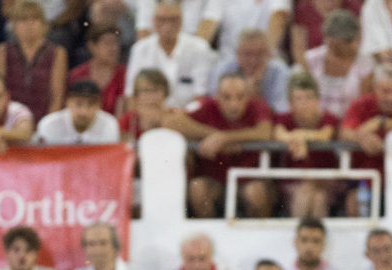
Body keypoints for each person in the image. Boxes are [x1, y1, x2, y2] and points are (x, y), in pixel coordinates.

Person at [168, 71, 274, 218]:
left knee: (256, 192)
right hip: (214, 181)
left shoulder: (258, 106)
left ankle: (258, 237)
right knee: (197, 189)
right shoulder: (207, 105)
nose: (233, 104)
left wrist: (224, 138)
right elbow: (170, 121)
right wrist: (212, 135)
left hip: (249, 181)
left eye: (240, 96)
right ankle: (209, 236)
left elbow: (265, 132)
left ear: (248, 95)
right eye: (226, 97)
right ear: (217, 95)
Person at [340, 62, 392, 215]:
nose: (391, 97)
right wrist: (362, 137)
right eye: (385, 91)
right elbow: (345, 132)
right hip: (365, 180)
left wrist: (381, 123)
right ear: (375, 89)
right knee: (354, 200)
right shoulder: (360, 104)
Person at [124, 0, 216, 111]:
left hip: (186, 118)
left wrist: (178, 117)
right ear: (153, 21)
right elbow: (131, 95)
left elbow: (201, 96)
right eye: (162, 20)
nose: (167, 25)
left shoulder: (199, 49)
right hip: (149, 116)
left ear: (181, 21)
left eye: (173, 20)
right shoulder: (140, 49)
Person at [273, 71, 340, 219]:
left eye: (309, 97)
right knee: (310, 194)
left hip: (324, 181)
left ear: (317, 100)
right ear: (290, 102)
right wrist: (297, 137)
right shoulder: (283, 118)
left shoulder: (328, 118)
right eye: (298, 98)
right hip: (294, 182)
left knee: (317, 196)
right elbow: (279, 134)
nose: (304, 103)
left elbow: (324, 135)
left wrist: (301, 136)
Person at [0, 0, 67, 124]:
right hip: (11, 120)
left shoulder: (58, 53)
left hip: (45, 120)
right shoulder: (3, 51)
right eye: (23, 20)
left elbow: (57, 96)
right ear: (14, 26)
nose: (29, 24)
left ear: (44, 24)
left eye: (34, 19)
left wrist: (47, 125)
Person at [304, 9, 375, 118]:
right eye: (327, 40)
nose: (329, 46)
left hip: (349, 122)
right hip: (316, 122)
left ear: (350, 42)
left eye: (336, 44)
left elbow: (364, 106)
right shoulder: (311, 59)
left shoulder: (365, 64)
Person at [208, 27, 291, 115]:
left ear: (268, 54)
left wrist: (255, 96)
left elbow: (282, 112)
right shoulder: (223, 68)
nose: (253, 60)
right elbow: (212, 105)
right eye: (248, 54)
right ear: (238, 53)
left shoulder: (279, 71)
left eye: (259, 54)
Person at [68, 23, 127, 116]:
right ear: (92, 46)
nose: (114, 48)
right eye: (108, 43)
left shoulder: (124, 73)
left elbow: (122, 112)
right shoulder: (77, 75)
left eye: (116, 43)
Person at [36, 80, 121, 143]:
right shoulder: (50, 125)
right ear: (68, 102)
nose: (84, 111)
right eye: (78, 104)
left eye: (90, 104)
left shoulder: (109, 125)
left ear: (99, 105)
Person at [211, 0, 290, 64]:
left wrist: (265, 53)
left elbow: (279, 16)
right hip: (228, 59)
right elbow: (211, 19)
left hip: (264, 60)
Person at [292, 0, 362, 66]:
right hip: (313, 68)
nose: (329, 3)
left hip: (350, 66)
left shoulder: (354, 6)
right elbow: (298, 50)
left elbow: (361, 43)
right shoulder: (303, 9)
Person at [118, 67, 174, 141]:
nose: (151, 96)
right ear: (136, 96)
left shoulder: (175, 117)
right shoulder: (127, 120)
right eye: (145, 90)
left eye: (155, 90)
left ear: (166, 93)